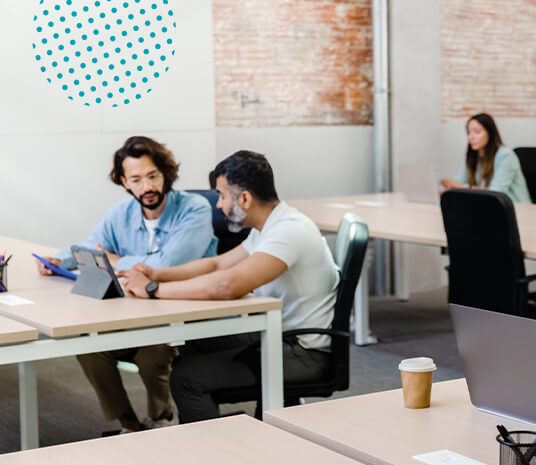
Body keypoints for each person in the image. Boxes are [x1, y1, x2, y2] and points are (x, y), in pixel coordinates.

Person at [118, 150, 340, 423]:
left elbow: (227, 285)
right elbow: (216, 265)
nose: (219, 205)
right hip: (276, 334)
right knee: (193, 341)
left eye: (222, 196)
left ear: (244, 198)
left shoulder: (289, 230)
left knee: (186, 379)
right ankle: (268, 417)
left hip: (304, 351)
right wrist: (157, 273)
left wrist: (153, 290)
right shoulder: (268, 227)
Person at [35, 136, 218, 433]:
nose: (146, 187)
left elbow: (167, 264)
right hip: (134, 311)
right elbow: (90, 248)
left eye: (152, 176)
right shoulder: (121, 213)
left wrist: (116, 260)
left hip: (180, 314)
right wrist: (57, 260)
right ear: (124, 182)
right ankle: (129, 424)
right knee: (88, 346)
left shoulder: (194, 208)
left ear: (166, 174)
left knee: (152, 351)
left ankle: (160, 418)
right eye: (136, 179)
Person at [440, 113, 532, 203]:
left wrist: (462, 188)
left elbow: (497, 192)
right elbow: (457, 183)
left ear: (490, 133)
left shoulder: (506, 156)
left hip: (518, 208)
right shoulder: (473, 157)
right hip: (488, 208)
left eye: (477, 132)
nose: (471, 137)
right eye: (468, 132)